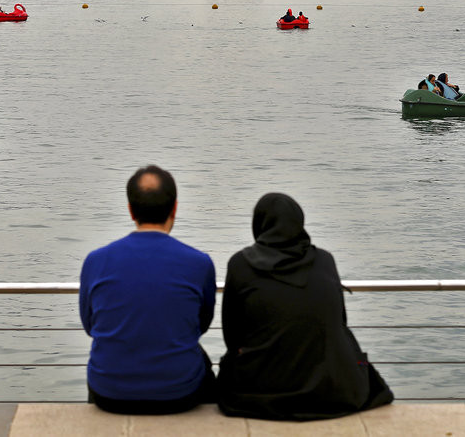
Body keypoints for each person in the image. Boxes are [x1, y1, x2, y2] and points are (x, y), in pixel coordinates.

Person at [217, 193, 393, 421]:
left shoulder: (240, 264)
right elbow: (339, 322)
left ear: (259, 224)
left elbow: (232, 337)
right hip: (329, 389)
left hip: (262, 392)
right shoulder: (325, 260)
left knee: (227, 368)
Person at [79, 165, 216, 415]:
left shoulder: (95, 261)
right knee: (202, 360)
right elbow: (202, 324)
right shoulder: (200, 263)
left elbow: (90, 326)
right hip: (179, 395)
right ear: (175, 208)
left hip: (109, 394)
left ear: (131, 210)